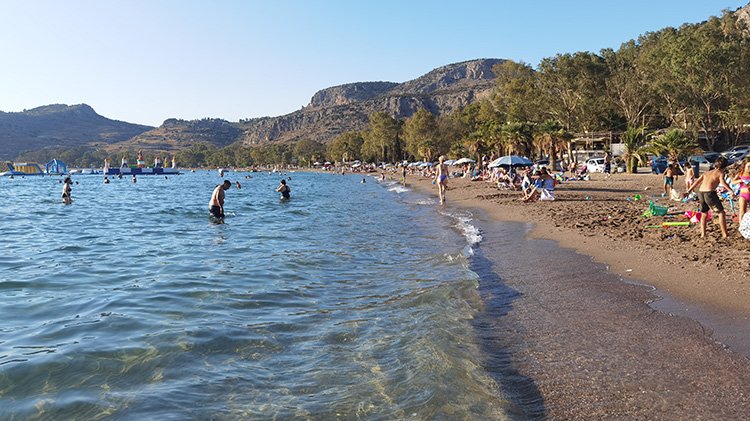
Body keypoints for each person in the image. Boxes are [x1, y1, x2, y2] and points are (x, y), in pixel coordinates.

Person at [687, 156, 733, 238]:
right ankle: (725, 234)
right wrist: (730, 190)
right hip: (710, 193)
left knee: (704, 213)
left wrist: (689, 191)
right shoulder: (720, 173)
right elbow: (723, 182)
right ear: (725, 167)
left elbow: (697, 182)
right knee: (721, 213)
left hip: (701, 193)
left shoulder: (706, 173)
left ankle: (703, 234)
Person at [731, 158, 750, 225]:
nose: (749, 168)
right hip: (743, 195)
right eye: (748, 167)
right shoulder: (741, 173)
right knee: (742, 212)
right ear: (744, 166)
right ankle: (741, 226)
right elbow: (733, 182)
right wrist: (741, 180)